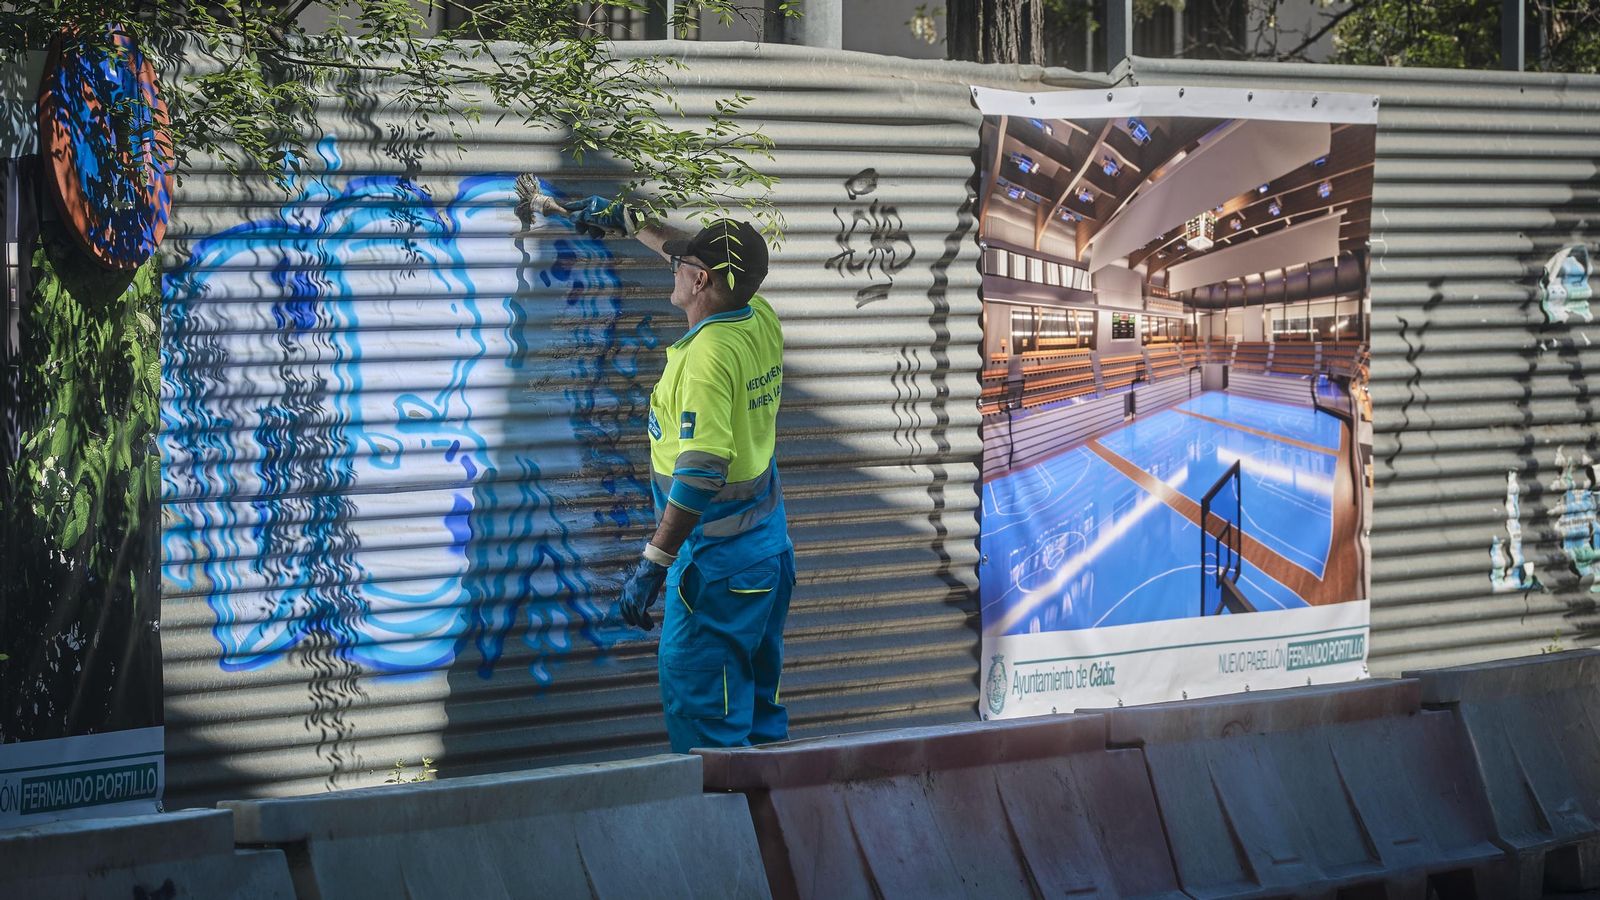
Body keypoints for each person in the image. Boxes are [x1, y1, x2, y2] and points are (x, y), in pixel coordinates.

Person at [562, 196, 795, 753]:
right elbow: (686, 255)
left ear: (700, 281)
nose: (677, 268)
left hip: (717, 573)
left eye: (686, 267)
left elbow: (701, 472)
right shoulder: (756, 316)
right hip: (765, 558)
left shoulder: (707, 359)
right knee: (758, 722)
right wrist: (630, 223)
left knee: (708, 741)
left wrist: (653, 564)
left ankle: (729, 840)